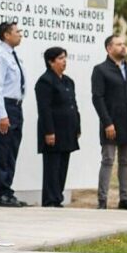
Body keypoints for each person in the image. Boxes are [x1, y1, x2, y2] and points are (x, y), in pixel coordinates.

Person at [91, 35, 127, 210]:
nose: (123, 47)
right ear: (109, 48)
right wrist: (107, 123)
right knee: (108, 160)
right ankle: (102, 200)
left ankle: (124, 198)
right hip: (111, 124)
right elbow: (97, 98)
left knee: (125, 161)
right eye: (119, 44)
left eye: (124, 44)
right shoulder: (100, 70)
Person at [35, 47, 81, 207]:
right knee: (52, 167)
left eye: (65, 58)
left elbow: (73, 104)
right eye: (60, 58)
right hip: (53, 130)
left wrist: (77, 126)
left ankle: (58, 197)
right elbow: (44, 109)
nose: (64, 61)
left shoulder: (68, 81)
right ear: (50, 61)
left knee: (63, 166)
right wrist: (49, 131)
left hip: (68, 130)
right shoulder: (45, 81)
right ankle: (50, 200)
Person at [0, 21, 28, 208]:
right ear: (6, 35)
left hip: (16, 106)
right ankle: (1, 193)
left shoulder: (13, 55)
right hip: (6, 106)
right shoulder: (1, 54)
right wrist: (2, 114)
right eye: (17, 31)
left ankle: (8, 191)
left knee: (12, 150)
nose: (20, 34)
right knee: (2, 150)